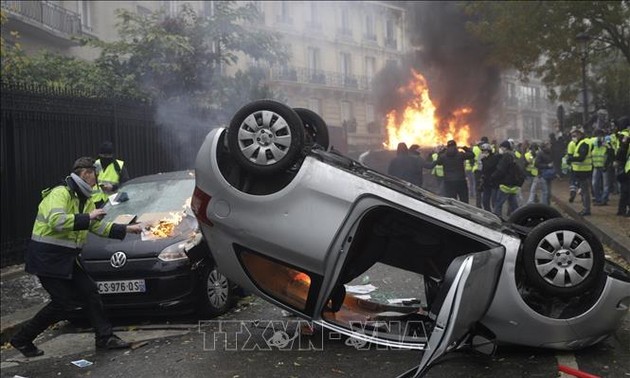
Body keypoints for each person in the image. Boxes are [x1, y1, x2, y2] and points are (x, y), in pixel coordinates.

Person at [10, 157, 143, 357]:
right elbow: (57, 221)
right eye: (94, 175)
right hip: (47, 257)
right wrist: (88, 217)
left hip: (67, 258)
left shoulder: (85, 198)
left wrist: (128, 229)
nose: (96, 180)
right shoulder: (60, 193)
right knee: (62, 303)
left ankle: (105, 338)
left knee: (90, 292)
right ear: (85, 173)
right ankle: (22, 339)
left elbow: (97, 226)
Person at [92, 141, 129, 208]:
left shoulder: (118, 166)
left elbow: (126, 184)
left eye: (108, 155)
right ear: (100, 154)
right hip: (95, 202)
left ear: (112, 155)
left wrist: (113, 187)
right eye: (104, 155)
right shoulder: (96, 165)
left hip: (112, 202)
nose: (106, 157)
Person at [491, 140, 523, 217]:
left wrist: (493, 177)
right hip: (513, 183)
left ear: (505, 148)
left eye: (501, 147)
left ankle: (497, 220)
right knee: (513, 204)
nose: (500, 149)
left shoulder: (506, 157)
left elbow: (501, 170)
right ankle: (519, 218)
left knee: (498, 204)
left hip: (506, 184)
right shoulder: (513, 155)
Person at [566, 127, 593, 216]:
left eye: (576, 134)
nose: (574, 136)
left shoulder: (583, 143)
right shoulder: (579, 143)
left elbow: (581, 158)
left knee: (585, 191)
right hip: (581, 171)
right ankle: (585, 208)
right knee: (583, 190)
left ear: (580, 134)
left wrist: (571, 159)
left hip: (583, 171)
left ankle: (586, 209)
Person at [591, 129, 614, 206]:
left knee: (606, 185)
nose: (598, 137)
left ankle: (603, 200)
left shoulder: (607, 142)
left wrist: (606, 145)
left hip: (605, 166)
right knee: (595, 183)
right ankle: (598, 199)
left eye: (600, 135)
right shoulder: (594, 143)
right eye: (597, 135)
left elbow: (611, 152)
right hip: (596, 166)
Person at [479, 142, 500, 211]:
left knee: (494, 201)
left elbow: (489, 166)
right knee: (485, 201)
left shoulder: (494, 158)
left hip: (494, 182)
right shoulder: (484, 159)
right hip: (486, 182)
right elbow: (482, 169)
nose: (483, 153)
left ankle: (496, 214)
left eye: (484, 151)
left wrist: (483, 160)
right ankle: (488, 213)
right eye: (482, 151)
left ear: (489, 151)